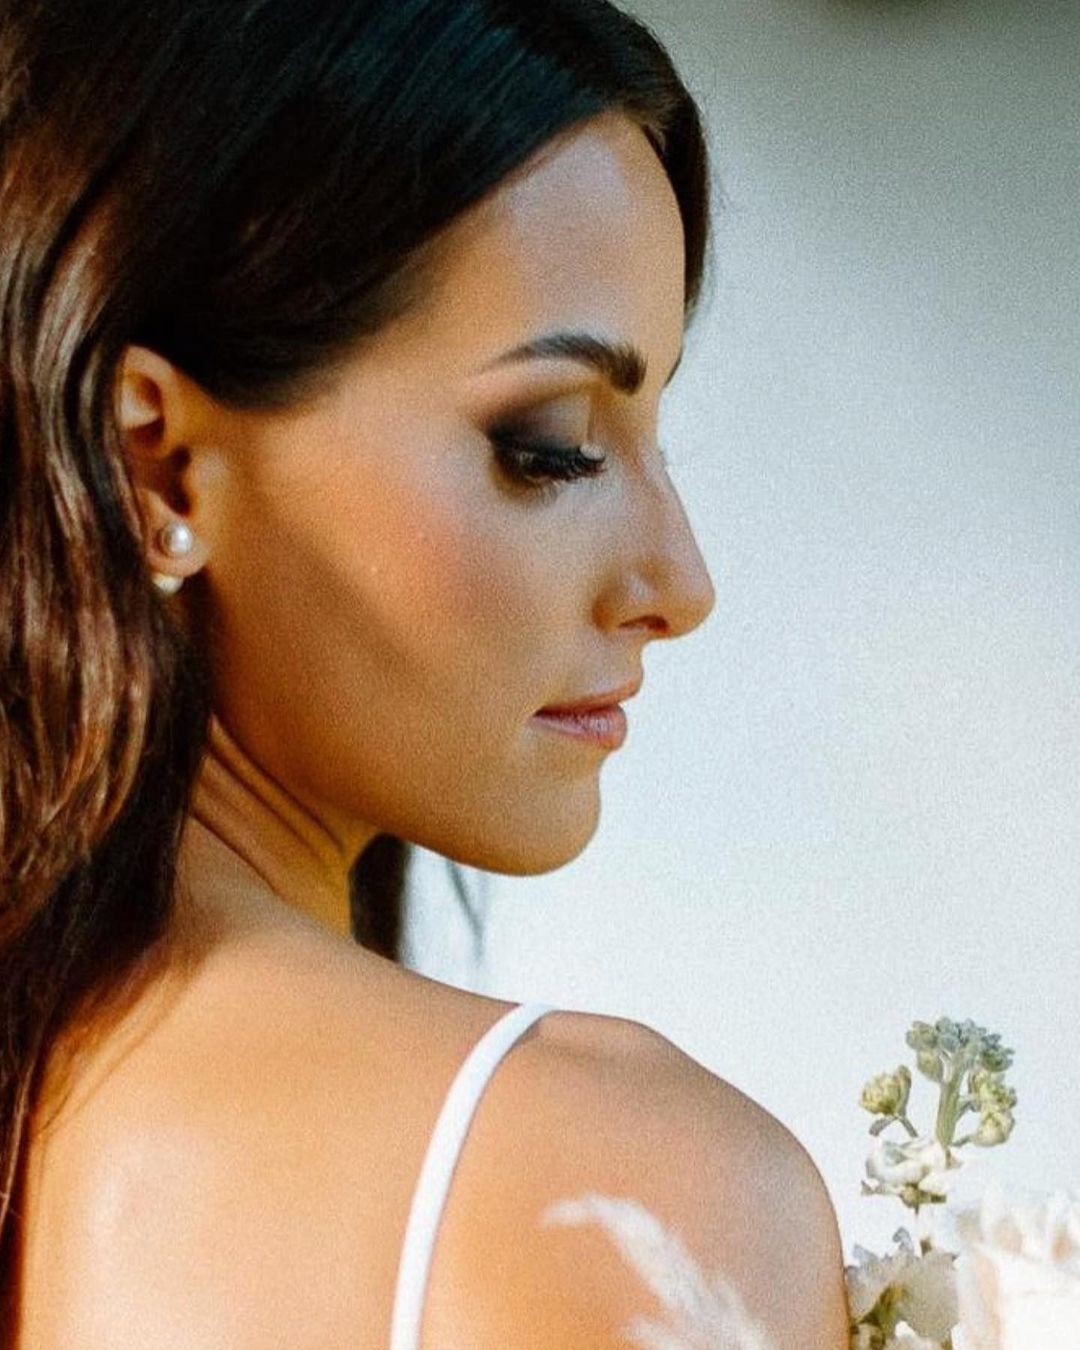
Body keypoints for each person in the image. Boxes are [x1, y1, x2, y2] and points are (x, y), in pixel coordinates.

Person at [0, 1, 850, 1345]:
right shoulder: (609, 1186)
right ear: (158, 465)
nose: (680, 584)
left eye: (656, 429)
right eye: (551, 444)